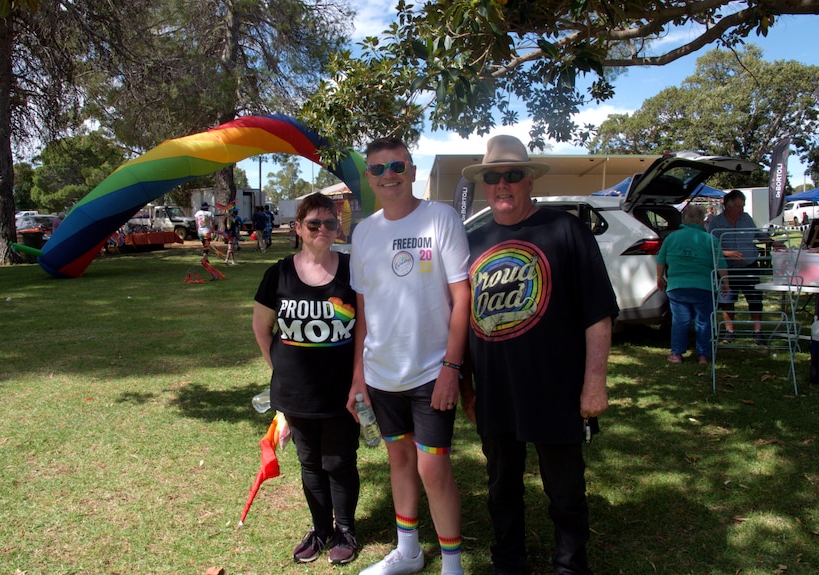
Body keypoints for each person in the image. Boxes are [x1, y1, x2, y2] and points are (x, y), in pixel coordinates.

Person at [460, 135, 619, 575]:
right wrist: (465, 388)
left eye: (513, 175)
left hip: (556, 387)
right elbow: (458, 321)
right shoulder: (470, 243)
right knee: (500, 486)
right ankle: (508, 561)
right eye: (493, 177)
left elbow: (598, 314)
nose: (502, 184)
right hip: (496, 389)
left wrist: (594, 383)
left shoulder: (565, 230)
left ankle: (570, 564)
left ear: (529, 180)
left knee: (565, 488)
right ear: (484, 184)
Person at [349, 137, 470, 575]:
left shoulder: (441, 217)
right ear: (368, 178)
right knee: (398, 461)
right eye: (378, 169)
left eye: (396, 165)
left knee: (433, 470)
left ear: (412, 170)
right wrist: (359, 377)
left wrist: (452, 368)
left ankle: (452, 565)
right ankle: (409, 552)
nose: (388, 176)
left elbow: (462, 297)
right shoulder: (363, 232)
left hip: (431, 372)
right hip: (382, 376)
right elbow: (363, 313)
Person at [252, 192, 361, 566]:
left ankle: (345, 530)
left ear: (337, 227)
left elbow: (366, 329)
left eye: (329, 223)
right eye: (313, 223)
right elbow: (261, 327)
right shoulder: (278, 273)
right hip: (295, 394)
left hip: (341, 392)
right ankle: (321, 529)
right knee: (310, 462)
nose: (322, 230)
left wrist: (360, 380)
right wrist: (280, 370)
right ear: (297, 228)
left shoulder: (352, 269)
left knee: (339, 461)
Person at [656, 204, 729, 364]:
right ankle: (703, 355)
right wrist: (725, 282)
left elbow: (660, 260)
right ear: (701, 220)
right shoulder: (710, 239)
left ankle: (676, 354)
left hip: (677, 286)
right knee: (704, 320)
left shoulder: (671, 238)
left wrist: (659, 277)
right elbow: (720, 263)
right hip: (703, 286)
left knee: (680, 320)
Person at [706, 189, 780, 345]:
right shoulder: (716, 223)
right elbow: (710, 246)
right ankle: (729, 332)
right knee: (727, 300)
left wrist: (773, 242)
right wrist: (727, 253)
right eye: (739, 206)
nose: (742, 210)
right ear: (728, 206)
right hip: (728, 269)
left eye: (743, 206)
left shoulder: (746, 219)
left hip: (749, 267)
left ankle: (758, 332)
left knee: (755, 299)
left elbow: (758, 235)